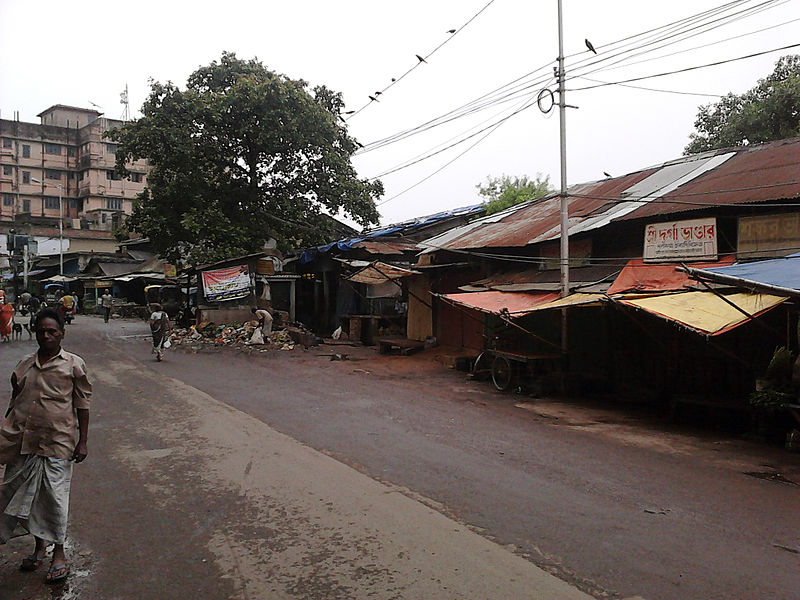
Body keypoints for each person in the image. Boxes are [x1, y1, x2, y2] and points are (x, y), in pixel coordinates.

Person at [0, 308, 91, 584]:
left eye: (52, 331)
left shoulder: (74, 365)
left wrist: (82, 440)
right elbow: (15, 403)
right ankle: (39, 547)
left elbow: (82, 404)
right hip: (24, 443)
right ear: (34, 333)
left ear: (62, 333)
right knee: (24, 497)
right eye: (41, 331)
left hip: (58, 442)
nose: (47, 335)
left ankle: (59, 554)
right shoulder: (24, 365)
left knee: (54, 498)